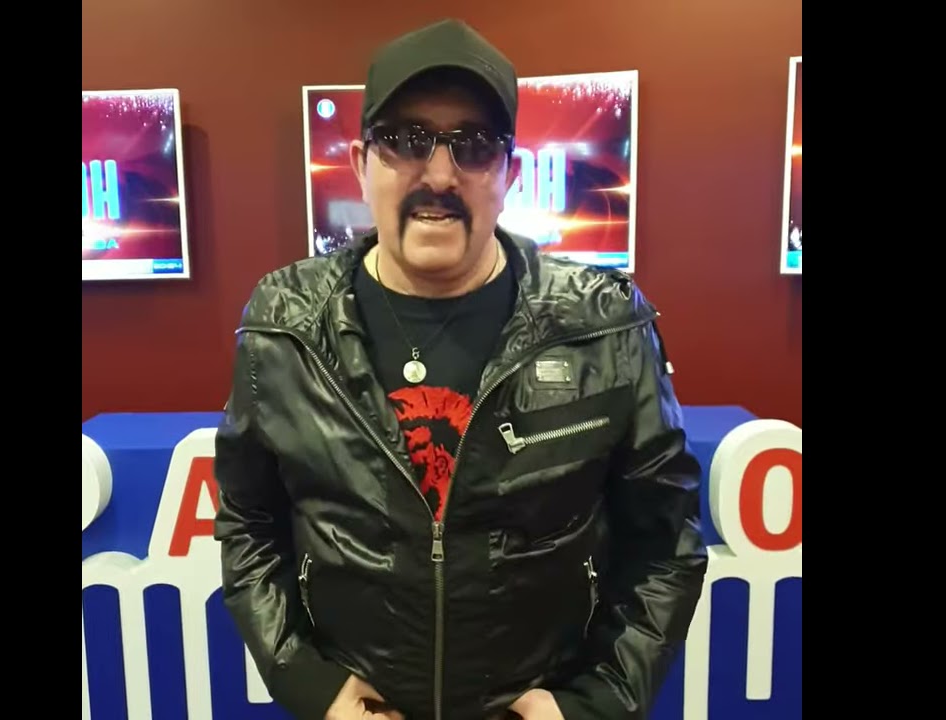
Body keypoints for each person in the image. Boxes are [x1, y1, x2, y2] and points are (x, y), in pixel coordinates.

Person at [213, 18, 707, 720]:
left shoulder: (603, 326)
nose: (440, 175)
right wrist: (309, 686)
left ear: (509, 174)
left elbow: (666, 546)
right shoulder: (283, 326)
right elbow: (248, 524)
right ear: (361, 164)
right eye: (406, 139)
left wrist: (594, 704)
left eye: (473, 144)